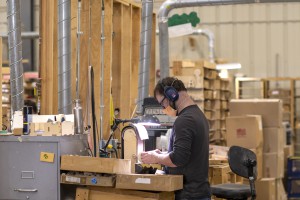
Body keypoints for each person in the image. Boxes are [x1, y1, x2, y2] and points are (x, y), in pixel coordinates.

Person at [141, 77, 211, 200]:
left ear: (171, 95)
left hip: (189, 194)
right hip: (199, 191)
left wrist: (156, 158)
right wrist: (162, 154)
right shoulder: (198, 115)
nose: (163, 109)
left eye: (162, 103)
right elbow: (187, 154)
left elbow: (177, 159)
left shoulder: (184, 121)